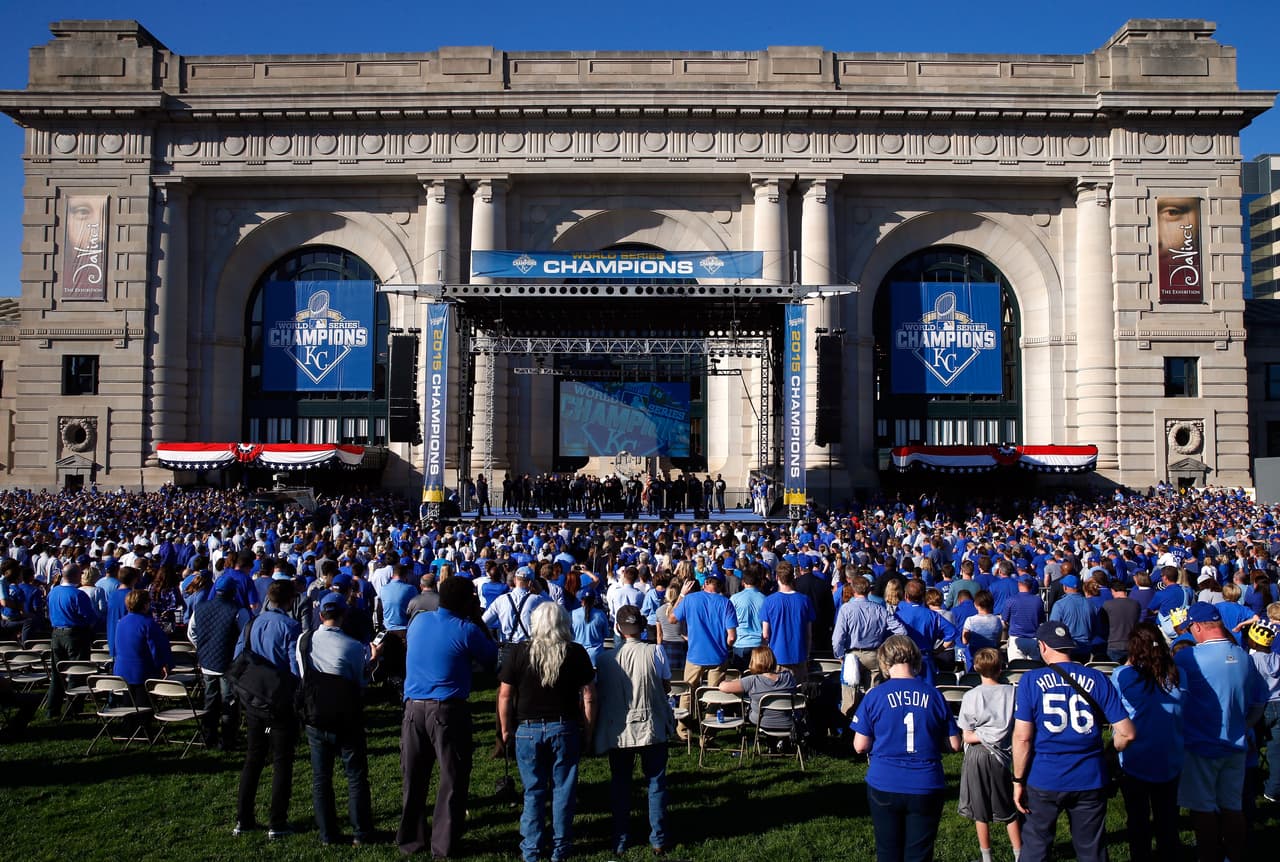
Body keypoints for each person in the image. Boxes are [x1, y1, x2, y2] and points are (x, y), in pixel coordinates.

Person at [1012, 621, 1136, 862]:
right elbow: (1128, 733)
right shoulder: (1097, 678)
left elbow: (1022, 737)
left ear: (1042, 646)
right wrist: (1109, 754)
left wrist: (1018, 780)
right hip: (1089, 774)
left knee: (1036, 847)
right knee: (1091, 850)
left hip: (1045, 775)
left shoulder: (1030, 680)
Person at [397, 575, 498, 858]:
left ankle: (411, 839)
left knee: (413, 777)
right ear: (466, 603)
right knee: (452, 777)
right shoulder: (466, 629)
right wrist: (477, 620)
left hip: (413, 707)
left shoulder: (419, 621)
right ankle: (443, 844)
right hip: (446, 708)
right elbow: (491, 659)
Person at [498, 602, 597, 862]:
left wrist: (506, 729)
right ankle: (560, 847)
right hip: (564, 727)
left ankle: (531, 848)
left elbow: (505, 695)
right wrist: (588, 730)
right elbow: (589, 696)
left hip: (528, 728)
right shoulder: (575, 652)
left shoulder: (519, 652)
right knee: (563, 790)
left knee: (533, 791)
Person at [852, 635, 961, 862]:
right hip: (925, 782)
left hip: (885, 781)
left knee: (887, 851)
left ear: (884, 661)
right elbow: (954, 744)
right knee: (919, 854)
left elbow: (860, 746)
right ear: (915, 659)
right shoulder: (934, 695)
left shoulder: (875, 695)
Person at [1174, 602, 1267, 862]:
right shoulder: (1244, 657)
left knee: (1202, 809)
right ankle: (1234, 856)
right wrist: (1244, 726)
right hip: (1236, 743)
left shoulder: (1187, 658)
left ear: (1197, 627)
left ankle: (1209, 856)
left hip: (1200, 745)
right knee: (1232, 806)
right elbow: (1259, 702)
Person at [298, 592, 380, 846]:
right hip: (346, 715)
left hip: (315, 713)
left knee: (321, 778)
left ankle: (327, 834)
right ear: (343, 615)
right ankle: (361, 832)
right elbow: (360, 682)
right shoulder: (353, 646)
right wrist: (372, 662)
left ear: (320, 614)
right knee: (355, 776)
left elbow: (301, 672)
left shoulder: (305, 640)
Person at [593, 605, 674, 856]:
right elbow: (666, 685)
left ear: (618, 628)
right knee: (655, 783)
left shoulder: (604, 660)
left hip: (619, 729)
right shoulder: (655, 652)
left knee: (621, 784)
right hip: (651, 725)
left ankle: (621, 837)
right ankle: (658, 838)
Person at [234, 579, 302, 839]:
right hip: (278, 698)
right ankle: (277, 821)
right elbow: (294, 668)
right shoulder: (289, 626)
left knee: (253, 758)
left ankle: (244, 818)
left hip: (254, 697)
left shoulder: (253, 623)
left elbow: (239, 654)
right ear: (289, 601)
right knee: (282, 761)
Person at [1111, 621, 1183, 862]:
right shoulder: (1176, 674)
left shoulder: (1123, 675)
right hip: (1169, 755)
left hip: (1136, 757)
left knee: (1138, 820)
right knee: (1167, 819)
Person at [957, 647, 1022, 862]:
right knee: (1008, 807)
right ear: (1001, 667)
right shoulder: (1012, 693)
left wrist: (984, 735)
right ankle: (1019, 854)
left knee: (980, 810)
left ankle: (987, 858)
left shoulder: (971, 696)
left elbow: (967, 736)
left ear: (976, 668)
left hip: (977, 754)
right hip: (1002, 754)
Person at [668, 572, 737, 741]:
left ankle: (683, 731)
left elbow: (672, 618)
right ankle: (707, 734)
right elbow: (732, 637)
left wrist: (682, 595)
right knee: (714, 695)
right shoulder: (725, 603)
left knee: (687, 692)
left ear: (705, 583)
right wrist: (726, 645)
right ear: (720, 585)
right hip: (717, 655)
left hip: (695, 654)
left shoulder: (691, 599)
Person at [190, 573, 251, 750]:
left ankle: (209, 735)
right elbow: (245, 637)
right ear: (233, 591)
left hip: (207, 661)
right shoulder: (238, 611)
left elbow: (191, 632)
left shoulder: (200, 608)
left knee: (210, 700)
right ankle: (227, 739)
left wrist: (202, 647)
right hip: (228, 663)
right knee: (229, 702)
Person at [831, 573, 906, 715]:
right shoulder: (879, 609)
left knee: (849, 697)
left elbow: (837, 638)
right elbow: (901, 631)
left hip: (852, 655)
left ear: (853, 589)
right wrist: (886, 647)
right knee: (873, 696)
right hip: (873, 654)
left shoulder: (846, 609)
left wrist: (839, 655)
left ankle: (847, 724)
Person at [46, 563, 97, 718]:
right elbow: (89, 616)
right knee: (76, 672)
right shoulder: (78, 595)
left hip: (56, 633)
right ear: (76, 575)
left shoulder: (53, 592)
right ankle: (73, 710)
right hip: (75, 634)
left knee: (57, 673)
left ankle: (52, 709)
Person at [111, 589, 173, 705]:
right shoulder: (148, 624)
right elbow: (156, 648)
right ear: (145, 604)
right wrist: (163, 664)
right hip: (143, 672)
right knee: (144, 707)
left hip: (123, 671)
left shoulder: (121, 622)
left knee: (128, 706)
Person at [718, 645, 798, 732]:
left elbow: (723, 687)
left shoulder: (752, 681)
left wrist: (730, 681)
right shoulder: (788, 677)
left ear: (753, 661)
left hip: (762, 722)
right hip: (788, 722)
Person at [1242, 620, 1280, 803]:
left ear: (1254, 642)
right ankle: (1273, 790)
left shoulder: (1251, 661)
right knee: (1276, 751)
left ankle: (1250, 785)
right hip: (1278, 703)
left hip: (1259, 708)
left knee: (1252, 747)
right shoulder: (1277, 658)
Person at [761, 563, 814, 681]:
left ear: (777, 577)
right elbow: (809, 633)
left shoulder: (769, 601)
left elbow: (765, 635)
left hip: (777, 657)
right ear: (793, 577)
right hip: (799, 655)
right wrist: (807, 654)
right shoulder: (805, 600)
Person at [728, 565, 765, 672]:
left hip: (740, 643)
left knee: (741, 676)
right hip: (758, 643)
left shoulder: (734, 598)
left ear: (743, 582)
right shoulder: (764, 599)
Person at [570, 587, 610, 667]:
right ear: (594, 600)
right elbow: (606, 634)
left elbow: (569, 634)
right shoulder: (601, 614)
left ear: (581, 600)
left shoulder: (572, 614)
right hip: (596, 654)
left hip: (577, 653)